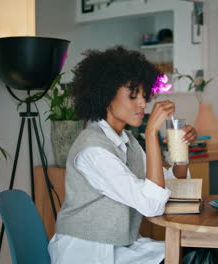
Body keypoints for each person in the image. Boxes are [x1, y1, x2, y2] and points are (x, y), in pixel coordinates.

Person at [48, 46, 197, 264]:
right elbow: (151, 205)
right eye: (133, 95)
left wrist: (182, 151)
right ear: (106, 95)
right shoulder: (94, 150)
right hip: (86, 253)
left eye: (144, 96)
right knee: (193, 258)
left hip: (121, 247)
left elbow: (169, 186)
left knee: (196, 253)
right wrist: (151, 132)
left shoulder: (127, 141)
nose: (142, 104)